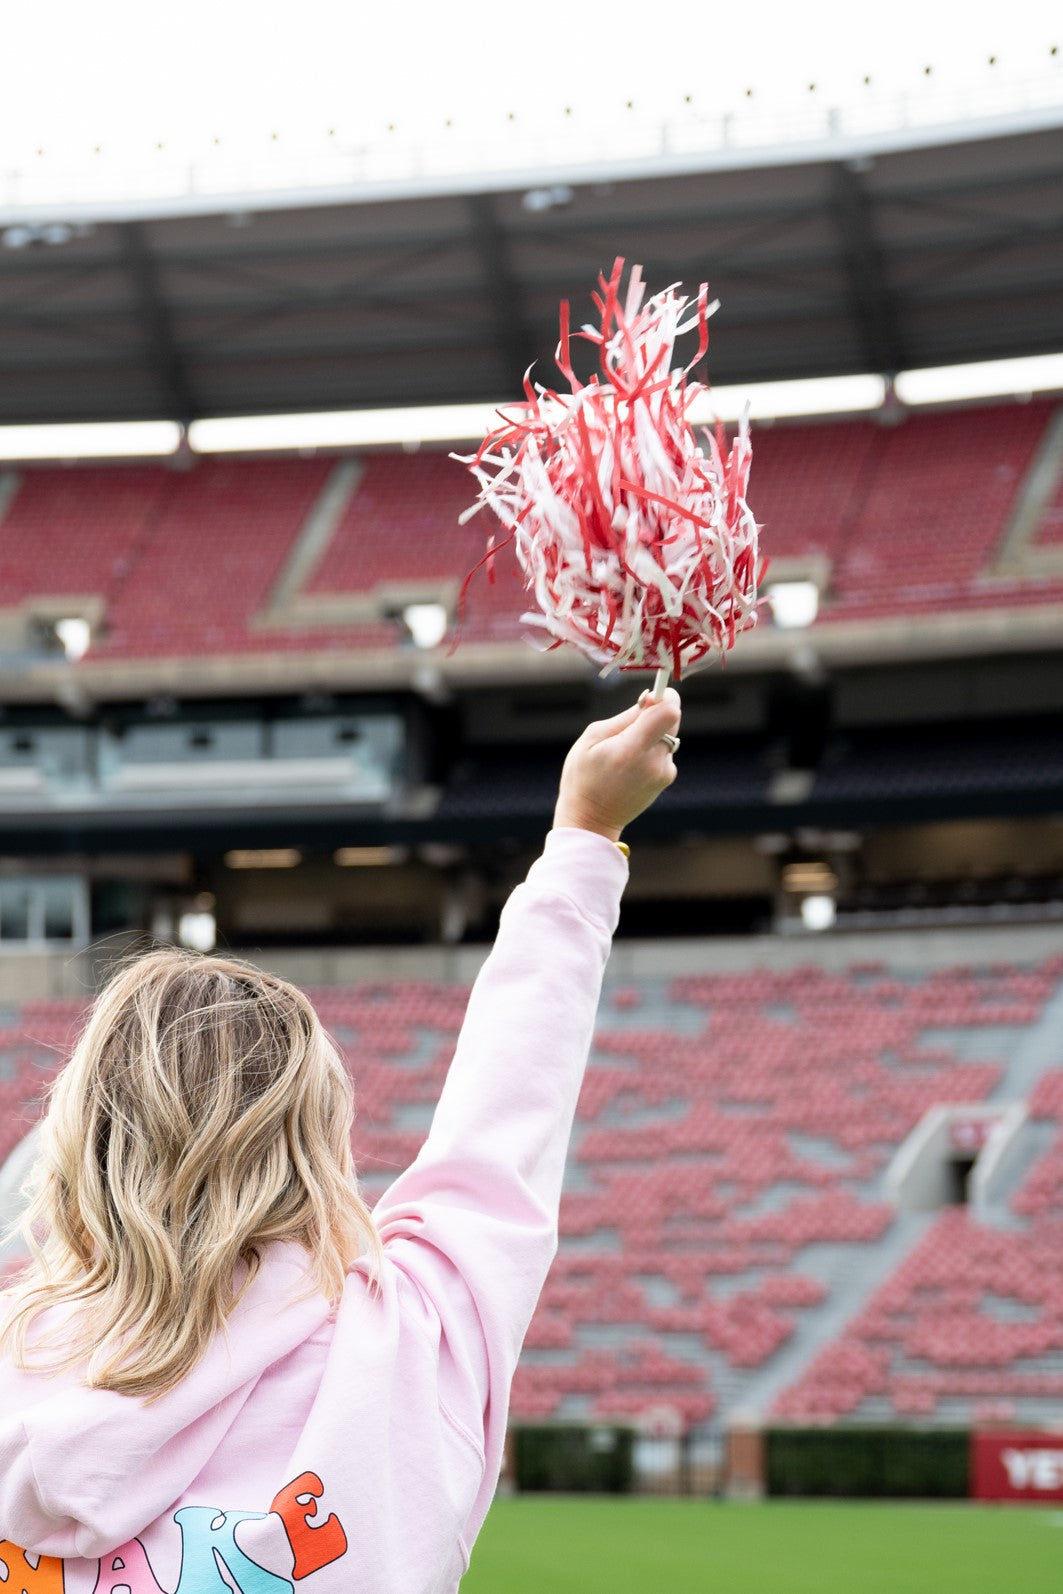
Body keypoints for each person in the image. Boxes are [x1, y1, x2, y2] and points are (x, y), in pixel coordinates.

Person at [0, 690, 681, 1594]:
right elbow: (506, 1112)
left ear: (84, 1144)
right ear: (317, 1145)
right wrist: (585, 833)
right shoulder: (404, 1348)